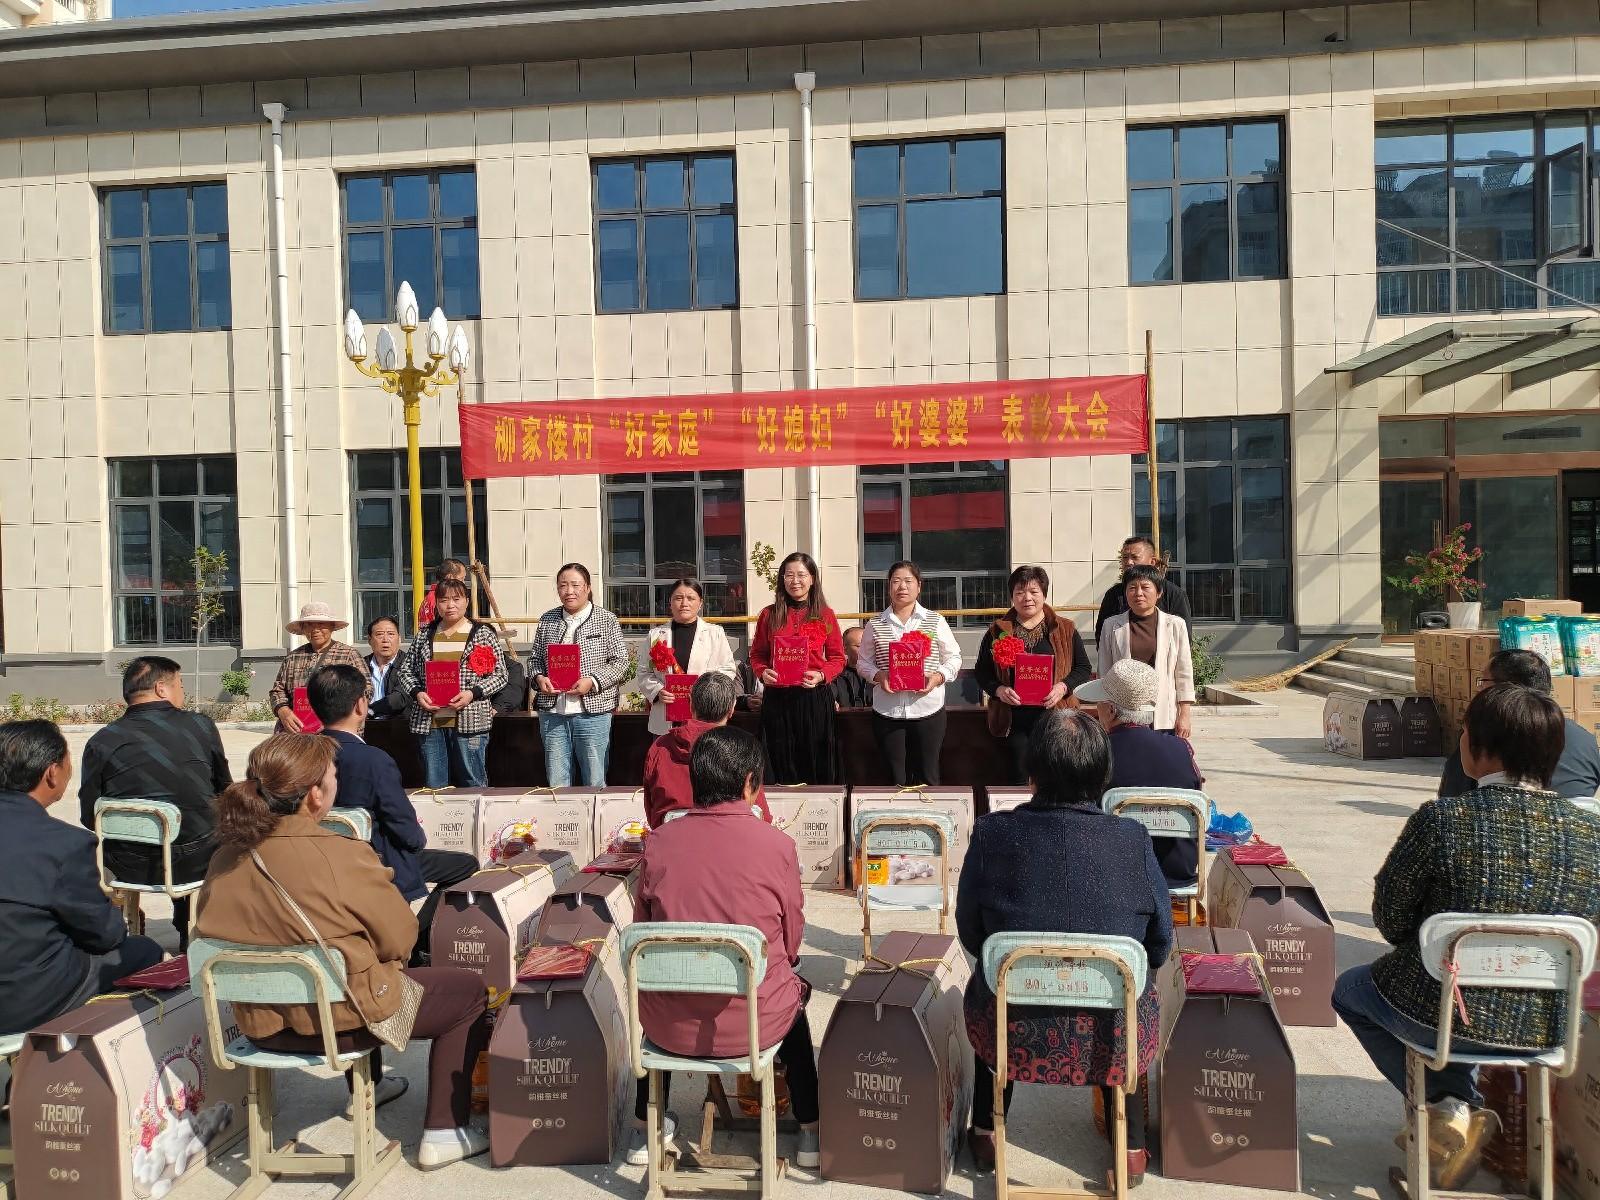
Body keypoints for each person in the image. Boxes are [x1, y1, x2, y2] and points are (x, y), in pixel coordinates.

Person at [1333, 684, 1600, 1189]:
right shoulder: (1591, 835)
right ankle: (1456, 1108)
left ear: (1478, 749)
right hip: (1550, 1027)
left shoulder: (1442, 821)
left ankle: (1447, 1105)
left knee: (1349, 990)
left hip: (1443, 1015)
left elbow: (1391, 920)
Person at [193, 734, 492, 1169]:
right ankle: (445, 1132)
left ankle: (372, 1087)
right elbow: (401, 937)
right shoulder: (343, 853)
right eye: (333, 775)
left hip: (258, 1025)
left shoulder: (224, 858)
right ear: (315, 794)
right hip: (340, 1026)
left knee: (350, 962)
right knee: (467, 993)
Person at [957, 710, 1172, 1184]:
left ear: (1031, 773)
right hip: (1111, 1031)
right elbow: (1159, 943)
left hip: (1014, 1029)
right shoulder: (1133, 838)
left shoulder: (992, 833)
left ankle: (986, 1133)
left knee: (991, 980)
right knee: (1132, 988)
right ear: (1102, 775)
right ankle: (1131, 1149)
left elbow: (971, 932)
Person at [628, 726, 820, 1169]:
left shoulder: (658, 844)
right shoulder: (778, 845)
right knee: (793, 997)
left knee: (665, 987)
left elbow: (643, 932)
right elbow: (792, 938)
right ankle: (810, 1130)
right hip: (755, 1025)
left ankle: (644, 1129)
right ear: (751, 782)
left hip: (669, 1026)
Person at [307, 665, 479, 967]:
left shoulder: (302, 754)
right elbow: (405, 828)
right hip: (377, 859)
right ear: (361, 705)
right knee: (466, 865)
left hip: (319, 859)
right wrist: (415, 842)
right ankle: (417, 938)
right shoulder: (373, 760)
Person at [1, 720, 163, 1035]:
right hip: (23, 1002)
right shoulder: (63, 843)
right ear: (52, 773)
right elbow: (105, 935)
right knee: (144, 950)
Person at [78, 656, 232, 950]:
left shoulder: (102, 740)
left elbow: (89, 815)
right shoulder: (200, 726)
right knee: (210, 830)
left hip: (128, 865)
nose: (182, 692)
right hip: (194, 863)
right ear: (162, 688)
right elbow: (225, 790)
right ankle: (191, 927)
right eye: (180, 685)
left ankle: (123, 923)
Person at [1076, 658, 1204, 889]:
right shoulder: (1182, 750)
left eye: (1100, 704)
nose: (1097, 710)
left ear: (1111, 710)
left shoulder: (1096, 752)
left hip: (1114, 877)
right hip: (1176, 875)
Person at [974, 565, 1093, 785]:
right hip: (1014, 719)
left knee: (1056, 777)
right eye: (1020, 592)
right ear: (1012, 597)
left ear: (1044, 594)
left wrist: (1063, 687)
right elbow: (982, 672)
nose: (1027, 598)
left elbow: (1083, 668)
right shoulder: (997, 631)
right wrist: (999, 690)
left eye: (1033, 591)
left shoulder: (1065, 629)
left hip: (1057, 717)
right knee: (1019, 777)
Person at [1438, 648, 1600, 800]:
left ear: (1507, 688)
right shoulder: (1585, 739)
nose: (1478, 689)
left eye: (1483, 681)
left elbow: (1452, 797)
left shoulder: (1488, 732)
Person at [395, 577, 509, 789]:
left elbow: (500, 675)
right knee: (435, 786)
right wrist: (418, 693)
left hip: (471, 721)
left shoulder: (482, 634)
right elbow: (405, 671)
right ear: (437, 604)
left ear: (467, 601)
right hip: (430, 722)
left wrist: (473, 693)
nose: (450, 605)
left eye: (456, 599)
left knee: (473, 782)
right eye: (443, 600)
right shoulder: (425, 634)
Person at [857, 562, 962, 785]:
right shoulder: (875, 624)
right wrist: (879, 676)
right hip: (888, 711)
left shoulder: (935, 621)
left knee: (927, 776)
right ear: (889, 587)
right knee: (894, 778)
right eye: (896, 581)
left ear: (919, 586)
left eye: (908, 581)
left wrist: (937, 677)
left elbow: (954, 658)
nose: (902, 587)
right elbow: (863, 663)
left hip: (928, 709)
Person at [749, 552, 845, 785]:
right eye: (789, 575)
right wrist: (762, 672)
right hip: (778, 698)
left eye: (801, 575)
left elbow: (837, 658)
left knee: (815, 762)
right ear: (782, 579)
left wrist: (821, 675)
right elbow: (757, 654)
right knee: (780, 761)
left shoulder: (825, 615)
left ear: (812, 579)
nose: (795, 581)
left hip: (813, 698)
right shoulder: (769, 614)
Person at [528, 563, 629, 786]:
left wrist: (592, 681)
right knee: (557, 779)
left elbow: (621, 662)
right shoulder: (547, 619)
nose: (569, 591)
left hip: (593, 713)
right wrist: (539, 678)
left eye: (575, 585)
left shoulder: (606, 619)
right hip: (553, 712)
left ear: (588, 587)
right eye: (563, 585)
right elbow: (534, 660)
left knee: (594, 778)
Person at [642, 673, 771, 828]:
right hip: (734, 838)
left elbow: (653, 812)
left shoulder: (661, 747)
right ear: (732, 708)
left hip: (672, 838)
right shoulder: (744, 748)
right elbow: (761, 816)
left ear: (690, 703)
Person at [1097, 565, 1196, 739]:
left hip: (1163, 712)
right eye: (1132, 588)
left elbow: (1184, 672)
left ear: (1159, 593)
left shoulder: (1175, 625)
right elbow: (1104, 671)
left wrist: (1185, 714)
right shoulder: (1111, 625)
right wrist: (1103, 708)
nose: (1138, 593)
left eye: (1145, 587)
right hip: (1122, 713)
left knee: (1161, 754)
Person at [640, 579, 738, 736]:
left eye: (691, 598)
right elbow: (644, 672)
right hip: (666, 715)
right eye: (678, 598)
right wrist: (658, 691)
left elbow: (728, 669)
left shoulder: (715, 633)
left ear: (700, 603)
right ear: (670, 602)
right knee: (665, 751)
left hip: (704, 713)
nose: (684, 603)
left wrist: (706, 689)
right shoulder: (656, 635)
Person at [269, 601, 370, 733]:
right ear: (303, 629)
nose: (315, 629)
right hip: (297, 731)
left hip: (338, 731)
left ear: (332, 626)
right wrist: (283, 711)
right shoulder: (293, 657)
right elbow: (277, 691)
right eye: (309, 624)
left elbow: (366, 689)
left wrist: (337, 716)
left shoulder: (349, 655)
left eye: (321, 624)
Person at [1094, 537, 1193, 643]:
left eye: (1134, 557)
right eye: (1125, 557)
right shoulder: (1113, 594)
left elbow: (1183, 638)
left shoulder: (1173, 594)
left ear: (1152, 562)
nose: (1129, 562)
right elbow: (1102, 635)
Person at [364, 616, 409, 720]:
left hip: (399, 726)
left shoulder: (409, 664)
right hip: (364, 726)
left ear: (399, 639)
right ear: (369, 640)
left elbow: (400, 697)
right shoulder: (361, 665)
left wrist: (370, 711)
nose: (385, 640)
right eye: (379, 634)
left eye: (391, 634)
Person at [417, 558, 468, 630]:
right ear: (450, 577)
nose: (463, 583)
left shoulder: (430, 597)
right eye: (461, 579)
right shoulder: (438, 598)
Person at [831, 626, 872, 710]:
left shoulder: (879, 675)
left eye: (869, 645)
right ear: (844, 649)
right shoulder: (836, 675)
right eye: (859, 646)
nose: (866, 650)